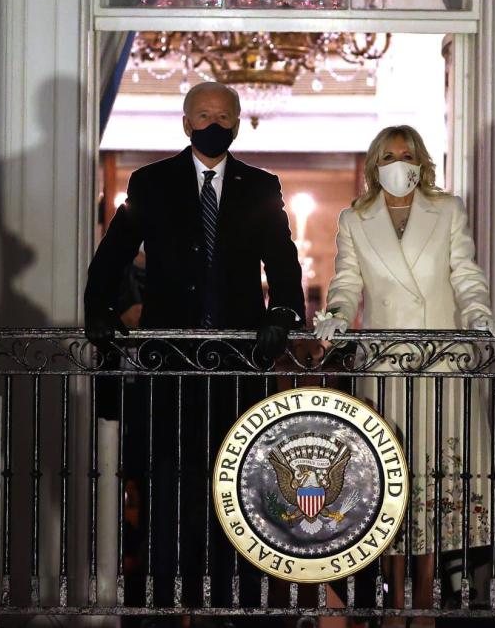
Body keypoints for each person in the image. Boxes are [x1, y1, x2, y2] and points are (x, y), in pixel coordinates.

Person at [84, 81, 304, 609]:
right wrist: (100, 312)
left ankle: (236, 604)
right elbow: (112, 255)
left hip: (238, 364)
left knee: (239, 484)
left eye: (224, 116)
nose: (214, 124)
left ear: (236, 123)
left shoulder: (260, 185)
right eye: (204, 114)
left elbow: (283, 261)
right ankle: (164, 602)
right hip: (170, 362)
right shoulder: (151, 183)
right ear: (186, 123)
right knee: (166, 484)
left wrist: (282, 314)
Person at [314, 124, 495, 621]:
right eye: (388, 155)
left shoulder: (447, 210)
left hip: (441, 364)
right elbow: (347, 280)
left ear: (420, 159)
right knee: (389, 483)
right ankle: (393, 598)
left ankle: (425, 599)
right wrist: (337, 314)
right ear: (374, 163)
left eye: (406, 153)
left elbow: (464, 273)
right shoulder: (355, 218)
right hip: (383, 368)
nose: (398, 163)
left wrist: (479, 313)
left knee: (436, 481)